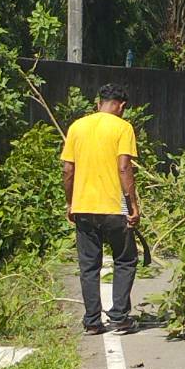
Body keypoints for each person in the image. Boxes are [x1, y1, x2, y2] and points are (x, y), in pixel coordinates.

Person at [61, 83, 141, 335]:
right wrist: (133, 204)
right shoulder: (123, 127)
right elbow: (124, 168)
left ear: (98, 103)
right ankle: (118, 317)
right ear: (122, 107)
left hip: (84, 206)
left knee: (88, 265)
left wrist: (70, 201)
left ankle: (92, 322)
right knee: (125, 260)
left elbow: (67, 170)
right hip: (115, 208)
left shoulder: (77, 127)